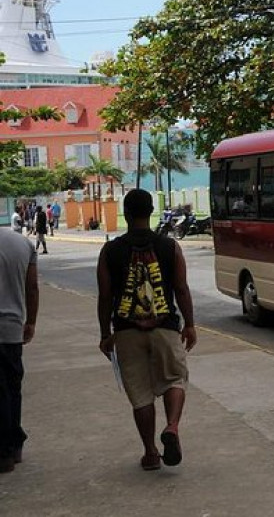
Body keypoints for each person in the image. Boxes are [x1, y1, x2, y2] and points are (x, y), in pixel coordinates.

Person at [97, 189, 197, 471]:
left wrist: (106, 333)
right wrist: (189, 324)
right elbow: (181, 288)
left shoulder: (110, 251)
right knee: (174, 379)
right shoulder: (170, 247)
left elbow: (105, 296)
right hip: (165, 327)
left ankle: (151, 453)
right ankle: (173, 427)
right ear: (151, 210)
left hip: (127, 331)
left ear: (126, 213)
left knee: (140, 394)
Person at [0, 222, 39, 473]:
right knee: (12, 388)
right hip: (12, 329)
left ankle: (4, 452)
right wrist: (31, 321)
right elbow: (32, 287)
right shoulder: (21, 243)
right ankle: (14, 446)